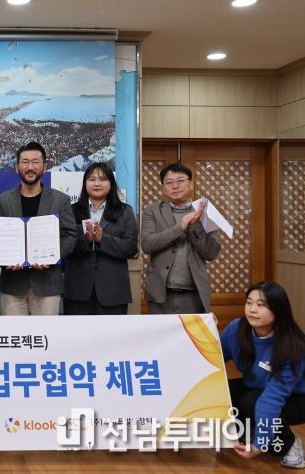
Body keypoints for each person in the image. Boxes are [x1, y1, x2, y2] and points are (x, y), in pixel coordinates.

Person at [220, 281, 305, 468]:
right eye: (249, 302)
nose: (252, 309)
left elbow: (272, 397)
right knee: (222, 390)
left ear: (278, 310)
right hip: (257, 388)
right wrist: (205, 327)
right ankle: (249, 432)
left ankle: (289, 444)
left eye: (261, 305)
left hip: (296, 398)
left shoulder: (293, 346)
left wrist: (260, 445)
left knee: (252, 402)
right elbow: (212, 358)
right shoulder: (236, 329)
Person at [0, 141, 76, 315]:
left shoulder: (60, 200)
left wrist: (52, 257)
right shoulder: (3, 200)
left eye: (35, 162)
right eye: (25, 162)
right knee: (12, 332)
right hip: (12, 285)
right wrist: (6, 261)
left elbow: (70, 236)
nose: (30, 167)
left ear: (44, 167)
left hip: (48, 285)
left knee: (46, 332)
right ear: (17, 168)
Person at [141, 162, 221, 313]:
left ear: (191, 184)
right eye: (169, 182)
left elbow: (211, 253)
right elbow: (147, 245)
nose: (175, 186)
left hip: (193, 295)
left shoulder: (205, 212)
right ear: (163, 187)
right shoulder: (153, 210)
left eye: (180, 180)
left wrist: (195, 226)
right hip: (160, 294)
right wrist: (181, 226)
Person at [63, 162, 138, 315]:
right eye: (91, 179)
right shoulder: (71, 211)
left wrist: (103, 239)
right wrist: (86, 239)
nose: (97, 183)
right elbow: (65, 248)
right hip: (77, 290)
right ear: (85, 183)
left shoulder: (125, 212)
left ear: (111, 183)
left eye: (103, 179)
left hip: (114, 291)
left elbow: (131, 248)